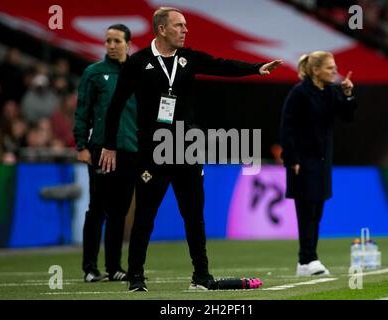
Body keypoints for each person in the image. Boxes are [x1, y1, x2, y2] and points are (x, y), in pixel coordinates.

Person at [99, 7, 282, 292]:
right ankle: (136, 276)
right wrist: (109, 145)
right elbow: (116, 106)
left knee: (194, 215)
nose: (185, 30)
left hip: (187, 148)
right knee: (145, 215)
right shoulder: (137, 63)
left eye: (185, 26)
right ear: (162, 29)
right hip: (152, 150)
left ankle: (202, 276)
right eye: (179, 26)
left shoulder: (188, 59)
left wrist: (255, 68)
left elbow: (222, 65)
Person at [280, 51, 356, 276]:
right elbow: (287, 127)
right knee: (306, 210)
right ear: (316, 70)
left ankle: (308, 259)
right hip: (302, 161)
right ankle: (307, 259)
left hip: (323, 161)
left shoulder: (331, 92)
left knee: (317, 210)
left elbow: (347, 116)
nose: (335, 72)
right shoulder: (300, 93)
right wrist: (291, 159)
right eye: (330, 68)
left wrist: (349, 94)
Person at [73, 24, 138, 282]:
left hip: (131, 150)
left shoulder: (139, 74)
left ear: (128, 44)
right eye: (108, 41)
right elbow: (83, 110)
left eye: (116, 41)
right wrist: (81, 145)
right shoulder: (94, 73)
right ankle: (90, 268)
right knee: (97, 208)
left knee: (120, 211)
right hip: (101, 150)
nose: (111, 45)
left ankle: (114, 267)